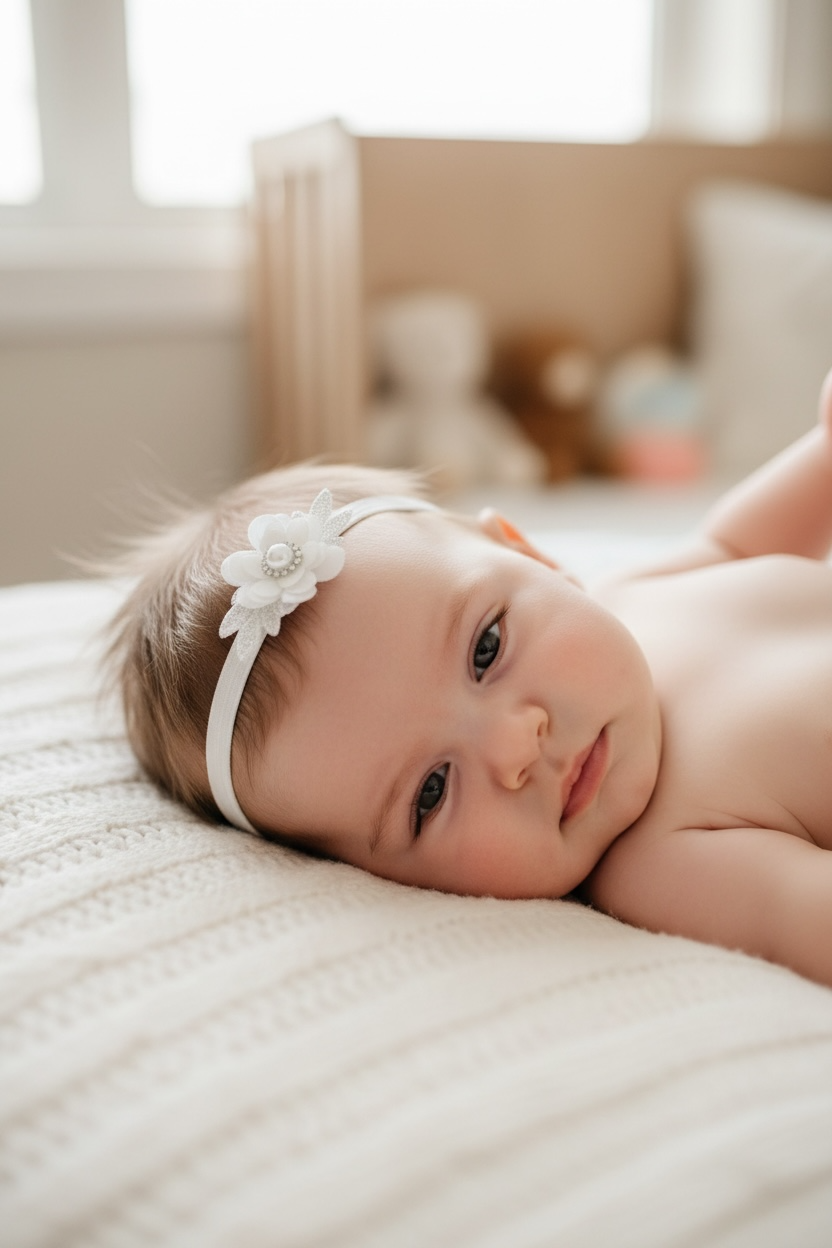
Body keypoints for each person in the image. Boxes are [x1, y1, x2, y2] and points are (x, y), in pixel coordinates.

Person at [108, 367, 832, 988]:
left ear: (530, 552)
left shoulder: (632, 591)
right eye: (431, 792)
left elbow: (732, 540)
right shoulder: (661, 861)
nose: (517, 748)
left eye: (486, 649)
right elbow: (802, 909)